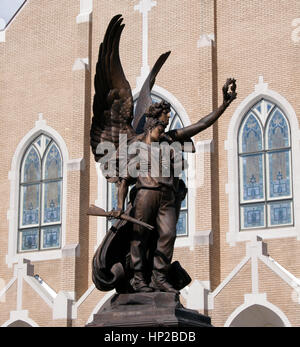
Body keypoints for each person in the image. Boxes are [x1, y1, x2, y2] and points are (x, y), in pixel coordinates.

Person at [110, 78, 237, 293]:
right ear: (154, 120)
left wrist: (224, 105)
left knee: (168, 235)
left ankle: (160, 277)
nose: (168, 121)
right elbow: (124, 180)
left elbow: (201, 124)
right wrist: (120, 207)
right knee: (139, 238)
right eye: (164, 118)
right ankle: (139, 279)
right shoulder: (136, 145)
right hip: (145, 194)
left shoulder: (170, 139)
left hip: (168, 196)